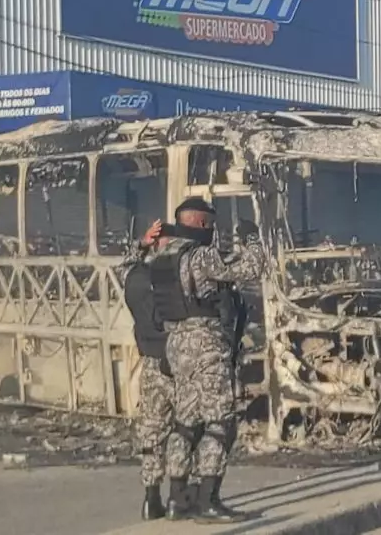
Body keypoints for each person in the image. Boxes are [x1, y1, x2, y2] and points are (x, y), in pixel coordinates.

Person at [144, 197, 263, 523]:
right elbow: (250, 270)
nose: (212, 231)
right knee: (221, 423)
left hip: (177, 345)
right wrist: (252, 240)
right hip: (206, 345)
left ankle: (177, 500)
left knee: (185, 424)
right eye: (210, 224)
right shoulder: (201, 256)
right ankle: (208, 500)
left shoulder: (161, 256)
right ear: (200, 224)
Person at [120, 220, 183, 521]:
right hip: (177, 364)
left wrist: (141, 243)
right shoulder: (173, 279)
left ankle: (150, 498)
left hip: (150, 363)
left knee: (153, 432)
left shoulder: (134, 277)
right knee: (185, 428)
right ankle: (178, 498)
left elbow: (126, 263)